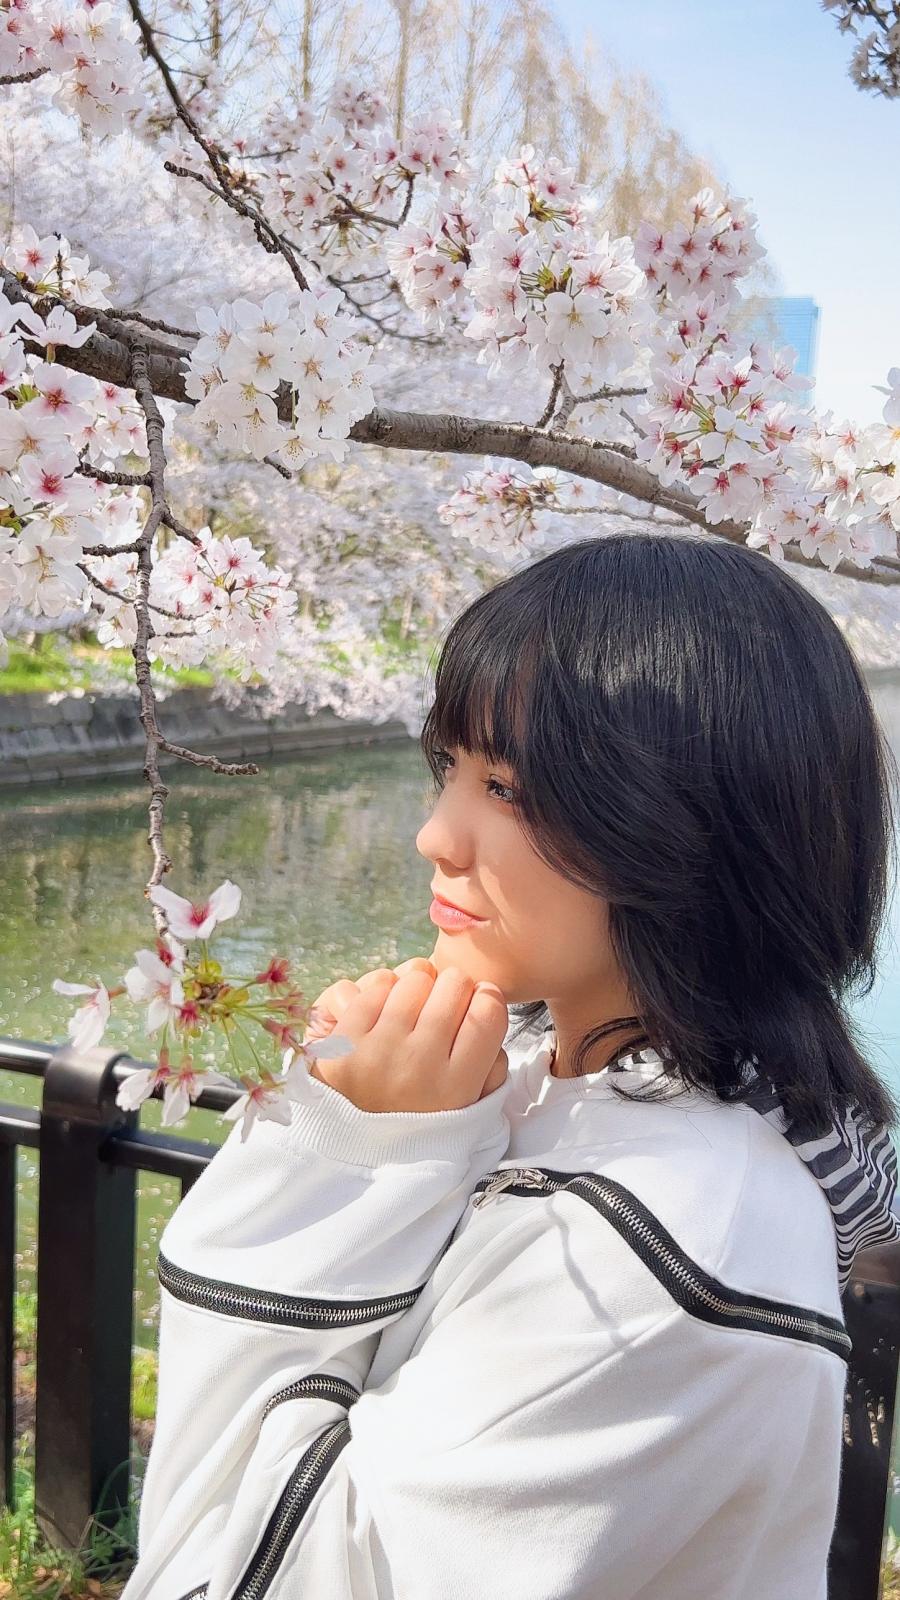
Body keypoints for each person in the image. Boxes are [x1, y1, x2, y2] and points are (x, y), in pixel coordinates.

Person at [121, 533, 900, 1600]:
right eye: (451, 769)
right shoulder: (547, 1082)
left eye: (509, 786)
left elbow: (233, 1579)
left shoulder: (662, 1250)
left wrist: (349, 1160)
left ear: (688, 829)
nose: (436, 837)